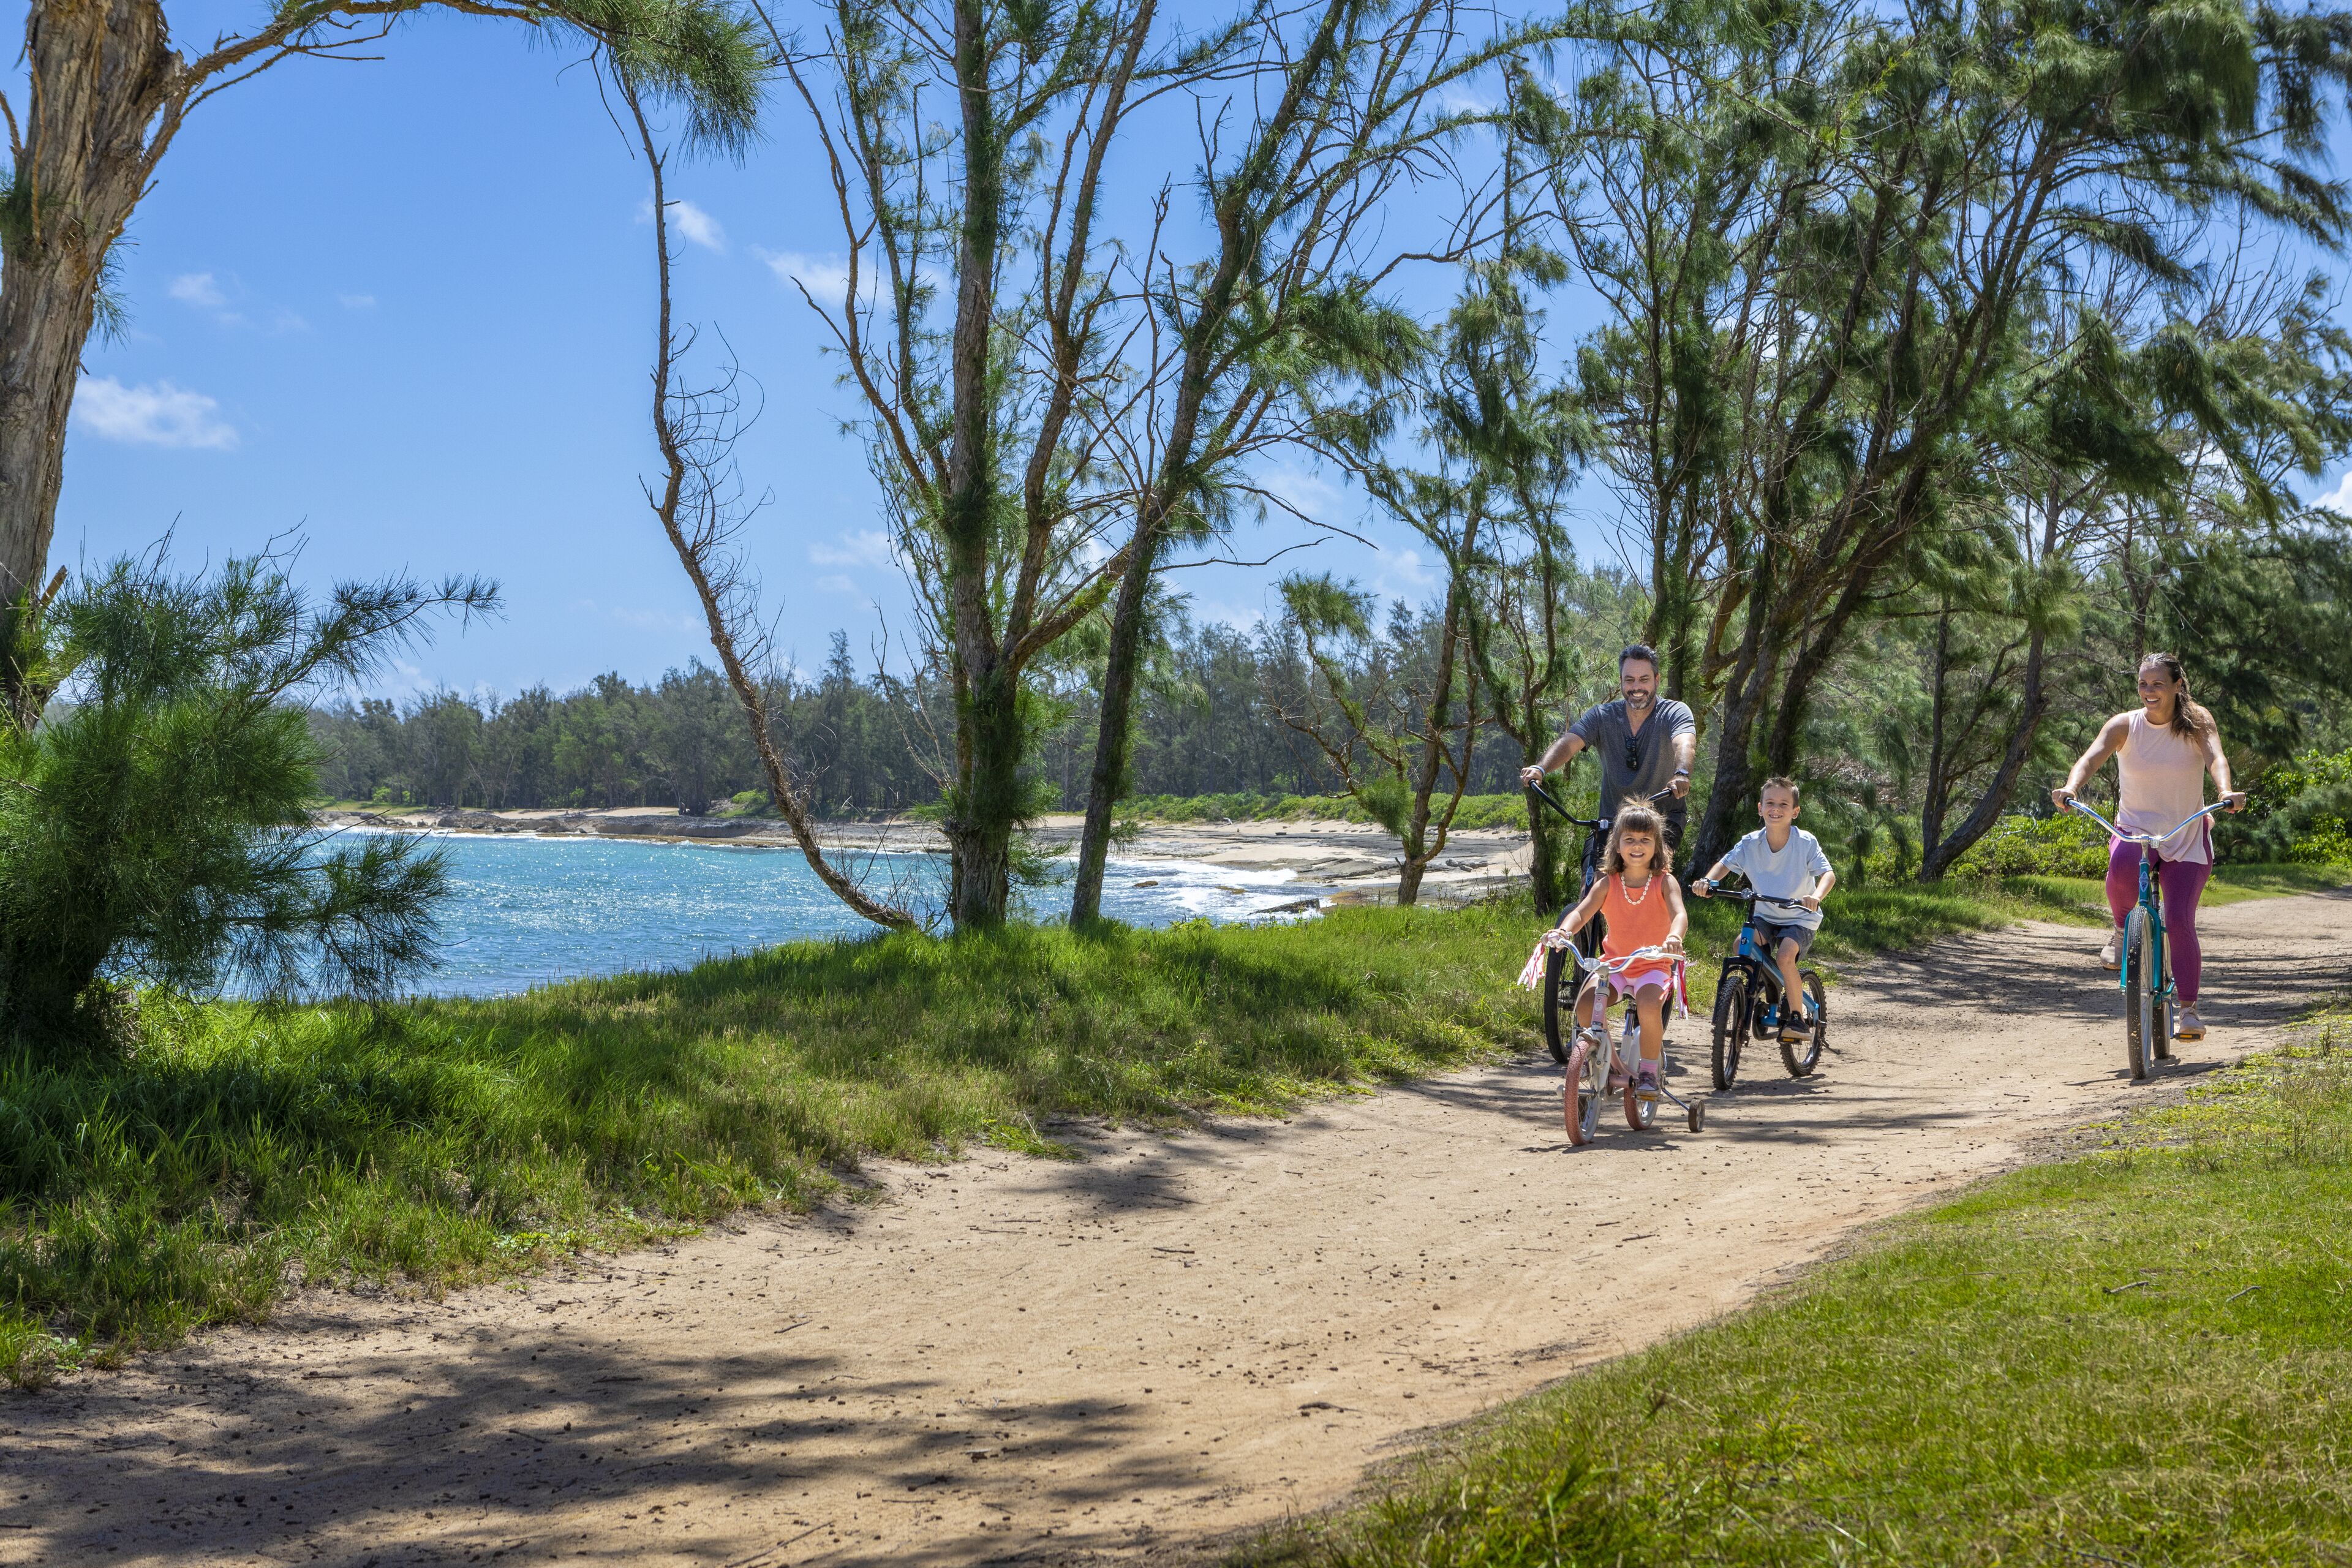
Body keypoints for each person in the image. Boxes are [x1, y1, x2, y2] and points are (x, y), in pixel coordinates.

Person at [2051, 652, 2247, 1042]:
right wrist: (2071, 787)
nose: (2149, 691)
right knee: (2122, 864)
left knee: (2178, 920)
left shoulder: (2197, 722)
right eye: (2143, 684)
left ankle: (2188, 1011)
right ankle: (2124, 930)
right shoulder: (2125, 726)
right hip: (2136, 828)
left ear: (2177, 685)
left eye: (2158, 684)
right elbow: (2090, 758)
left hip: (2186, 833)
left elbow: (2216, 758)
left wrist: (2225, 791)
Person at [1520, 645, 1698, 883]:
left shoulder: (1674, 712)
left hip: (1661, 818)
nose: (1637, 687)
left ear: (1657, 679)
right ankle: (1587, 920)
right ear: (1621, 682)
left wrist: (1682, 773)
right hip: (1612, 821)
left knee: (1645, 878)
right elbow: (1571, 741)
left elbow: (1685, 742)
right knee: (1593, 878)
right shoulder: (1602, 715)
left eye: (1644, 679)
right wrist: (1541, 768)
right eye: (1630, 680)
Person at [1552, 806, 1687, 1101]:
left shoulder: (1665, 882)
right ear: (1616, 845)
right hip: (1615, 965)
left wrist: (1675, 936)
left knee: (1649, 1008)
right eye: (1629, 839)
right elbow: (1582, 912)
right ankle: (1598, 1055)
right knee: (1585, 1005)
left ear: (1658, 846)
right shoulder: (1607, 883)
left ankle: (1650, 1071)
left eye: (1645, 840)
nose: (1637, 846)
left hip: (1653, 964)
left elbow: (1680, 914)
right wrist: (1564, 931)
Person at [1691, 777, 1836, 1044]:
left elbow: (1828, 875)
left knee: (1784, 957)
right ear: (1760, 808)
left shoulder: (1805, 842)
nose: (1776, 809)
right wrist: (1708, 882)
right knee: (1741, 946)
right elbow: (1724, 865)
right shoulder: (1750, 843)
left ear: (1795, 812)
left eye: (1783, 804)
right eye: (1770, 803)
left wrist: (1816, 896)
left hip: (1800, 917)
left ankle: (1797, 1017)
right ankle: (1758, 987)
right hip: (1765, 914)